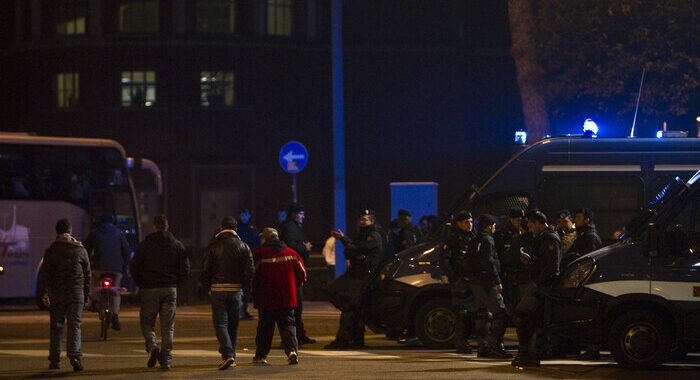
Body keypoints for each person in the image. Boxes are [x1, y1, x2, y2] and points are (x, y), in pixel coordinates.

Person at [131, 214, 189, 370]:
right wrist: (177, 284)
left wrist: (140, 283)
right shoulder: (177, 245)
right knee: (168, 326)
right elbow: (185, 269)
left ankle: (152, 345)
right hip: (170, 289)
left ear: (154, 227)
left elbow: (134, 267)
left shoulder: (144, 245)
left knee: (147, 322)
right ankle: (166, 358)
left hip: (149, 289)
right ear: (167, 226)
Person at [326, 209, 387, 349]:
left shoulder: (373, 235)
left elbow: (356, 250)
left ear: (372, 221)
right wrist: (348, 243)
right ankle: (354, 339)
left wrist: (352, 249)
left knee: (353, 309)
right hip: (356, 273)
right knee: (346, 303)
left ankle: (346, 340)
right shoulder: (363, 234)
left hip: (363, 275)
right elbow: (352, 251)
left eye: (365, 219)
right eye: (361, 219)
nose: (362, 222)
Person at [201, 216, 254, 370]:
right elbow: (250, 270)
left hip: (218, 289)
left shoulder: (213, 246)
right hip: (236, 290)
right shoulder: (244, 246)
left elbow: (205, 270)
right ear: (236, 228)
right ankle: (231, 356)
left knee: (220, 324)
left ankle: (228, 354)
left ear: (221, 228)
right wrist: (243, 286)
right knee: (233, 325)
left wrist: (208, 288)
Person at [38, 218, 91, 371]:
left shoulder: (51, 250)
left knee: (56, 326)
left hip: (58, 293)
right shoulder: (80, 249)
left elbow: (46, 275)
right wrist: (87, 294)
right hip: (76, 293)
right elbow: (87, 274)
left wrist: (45, 294)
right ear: (70, 231)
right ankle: (75, 356)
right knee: (75, 325)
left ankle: (55, 360)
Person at [511, 210, 561, 367]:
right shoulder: (543, 238)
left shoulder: (549, 238)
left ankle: (528, 353)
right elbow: (542, 262)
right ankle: (528, 353)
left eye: (532, 226)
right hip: (540, 284)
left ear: (539, 223)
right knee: (530, 319)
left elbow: (552, 266)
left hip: (543, 286)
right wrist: (530, 261)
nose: (531, 230)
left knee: (525, 315)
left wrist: (538, 281)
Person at [252, 228, 307, 365]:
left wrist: (253, 291)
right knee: (288, 325)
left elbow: (252, 274)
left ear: (265, 239)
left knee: (265, 328)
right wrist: (296, 286)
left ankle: (261, 356)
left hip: (266, 297)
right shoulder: (291, 252)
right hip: (287, 297)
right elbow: (302, 273)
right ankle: (292, 352)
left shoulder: (259, 253)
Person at [467, 214, 511, 358]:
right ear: (489, 226)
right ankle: (495, 347)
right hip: (487, 283)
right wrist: (497, 281)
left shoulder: (474, 240)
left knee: (482, 315)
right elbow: (489, 262)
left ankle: (483, 347)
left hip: (475, 283)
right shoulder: (488, 240)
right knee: (501, 313)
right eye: (493, 226)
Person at [84, 214, 131, 330]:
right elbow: (127, 251)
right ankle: (115, 316)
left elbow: (86, 250)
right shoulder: (119, 234)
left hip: (99, 266)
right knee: (115, 291)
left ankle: (95, 301)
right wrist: (124, 266)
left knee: (95, 281)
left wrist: (89, 264)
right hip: (116, 269)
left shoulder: (94, 233)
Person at [438, 210, 476, 354]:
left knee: (473, 313)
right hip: (460, 280)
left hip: (472, 279)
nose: (470, 224)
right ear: (459, 223)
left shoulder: (473, 236)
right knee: (462, 313)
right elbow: (445, 260)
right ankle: (461, 343)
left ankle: (467, 341)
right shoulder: (453, 239)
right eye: (467, 222)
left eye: (471, 221)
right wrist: (453, 278)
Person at [278, 203, 315, 345]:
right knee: (294, 305)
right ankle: (293, 337)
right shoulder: (289, 227)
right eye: (301, 213)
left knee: (296, 305)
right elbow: (291, 247)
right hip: (292, 272)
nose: (303, 216)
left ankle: (299, 334)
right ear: (294, 213)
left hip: (294, 272)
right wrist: (304, 247)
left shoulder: (291, 227)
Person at [571, 208, 603, 360]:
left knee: (590, 314)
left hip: (590, 283)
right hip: (585, 282)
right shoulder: (582, 235)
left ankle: (592, 349)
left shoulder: (589, 237)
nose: (575, 219)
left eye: (578, 217)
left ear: (587, 220)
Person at [493, 208, 524, 312]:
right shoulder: (502, 235)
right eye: (518, 220)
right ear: (511, 219)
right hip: (507, 273)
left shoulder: (522, 233)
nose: (520, 223)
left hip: (519, 273)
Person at [237, 209, 260, 320]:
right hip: (240, 261)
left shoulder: (252, 229)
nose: (244, 217)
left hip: (249, 260)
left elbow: (257, 244)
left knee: (246, 287)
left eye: (245, 214)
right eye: (242, 214)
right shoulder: (238, 229)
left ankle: (243, 310)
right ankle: (240, 310)